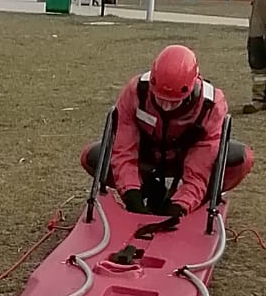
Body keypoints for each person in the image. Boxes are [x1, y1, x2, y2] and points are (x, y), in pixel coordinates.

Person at [81, 45, 254, 213]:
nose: (165, 106)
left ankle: (201, 200)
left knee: (242, 159)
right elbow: (123, 148)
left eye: (173, 102)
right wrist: (131, 193)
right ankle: (150, 188)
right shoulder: (136, 92)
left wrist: (181, 205)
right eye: (160, 99)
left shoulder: (211, 106)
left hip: (187, 157)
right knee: (92, 157)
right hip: (147, 155)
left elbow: (202, 163)